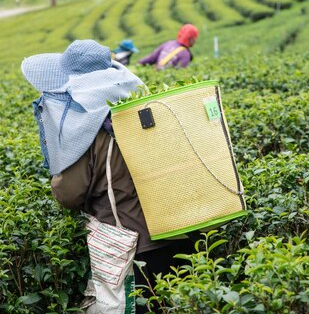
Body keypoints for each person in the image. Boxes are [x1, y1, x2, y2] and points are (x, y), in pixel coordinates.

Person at [21, 39, 194, 313]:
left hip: (132, 248)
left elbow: (69, 194)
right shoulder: (145, 111)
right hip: (181, 231)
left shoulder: (90, 132)